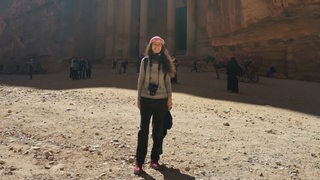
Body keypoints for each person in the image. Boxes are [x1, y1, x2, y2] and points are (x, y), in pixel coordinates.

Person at [134, 36, 175, 175]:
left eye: (159, 44)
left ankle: (154, 159)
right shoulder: (145, 61)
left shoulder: (165, 62)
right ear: (150, 46)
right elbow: (141, 80)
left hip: (161, 100)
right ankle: (139, 162)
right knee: (143, 130)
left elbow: (168, 81)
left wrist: (169, 98)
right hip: (146, 98)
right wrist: (138, 97)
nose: (157, 46)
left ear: (162, 47)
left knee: (158, 131)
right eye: (154, 44)